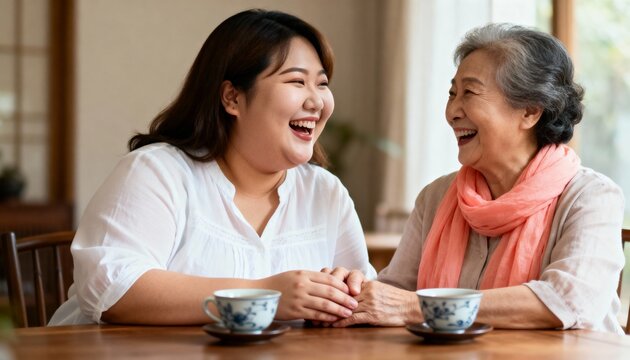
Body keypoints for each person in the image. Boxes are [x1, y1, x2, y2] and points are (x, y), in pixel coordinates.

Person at [49, 9, 375, 326]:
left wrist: (347, 292)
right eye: (297, 82)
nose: (316, 101)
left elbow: (363, 302)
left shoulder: (325, 192)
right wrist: (266, 294)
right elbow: (112, 291)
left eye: (321, 84)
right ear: (232, 97)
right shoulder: (157, 172)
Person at [331, 23, 625, 334]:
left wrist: (418, 307)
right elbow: (395, 292)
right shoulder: (436, 196)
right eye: (452, 93)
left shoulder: (591, 196)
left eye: (469, 92)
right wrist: (350, 293)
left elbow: (569, 301)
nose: (452, 111)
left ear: (530, 111)